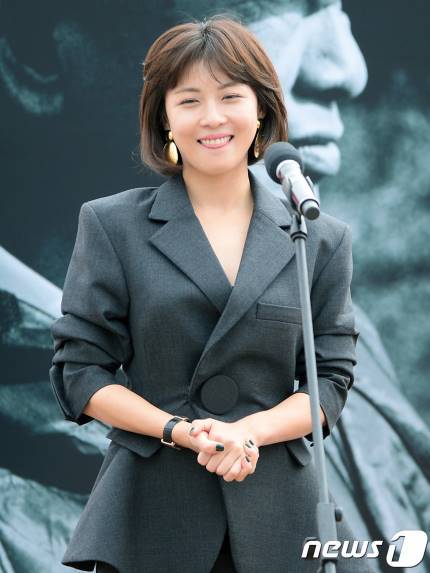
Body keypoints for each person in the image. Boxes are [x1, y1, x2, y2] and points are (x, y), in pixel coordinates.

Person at [49, 15, 376, 573]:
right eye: (189, 101)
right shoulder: (112, 225)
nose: (213, 117)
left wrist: (247, 433)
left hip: (281, 514)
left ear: (262, 110)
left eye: (230, 96)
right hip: (151, 511)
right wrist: (179, 432)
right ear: (164, 119)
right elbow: (81, 371)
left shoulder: (318, 237)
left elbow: (330, 380)